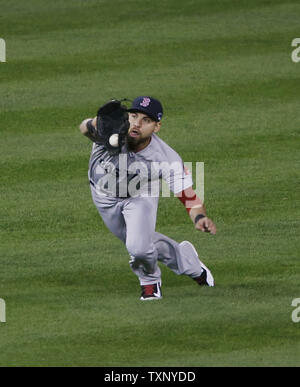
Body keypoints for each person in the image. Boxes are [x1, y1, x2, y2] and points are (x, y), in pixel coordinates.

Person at [79, 96, 217, 301]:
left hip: (139, 194)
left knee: (138, 247)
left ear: (156, 127)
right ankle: (191, 263)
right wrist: (96, 122)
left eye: (146, 120)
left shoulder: (165, 158)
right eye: (134, 116)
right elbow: (84, 127)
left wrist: (200, 218)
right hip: (102, 196)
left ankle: (150, 282)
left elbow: (188, 195)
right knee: (139, 241)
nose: (137, 123)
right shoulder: (109, 130)